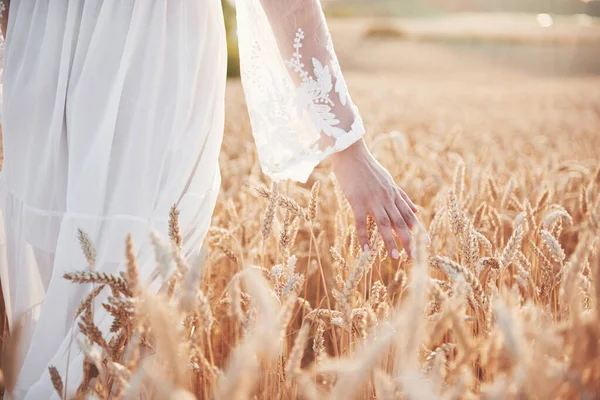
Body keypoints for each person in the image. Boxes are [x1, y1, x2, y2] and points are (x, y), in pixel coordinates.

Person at [0, 0, 425, 397]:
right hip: (149, 55)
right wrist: (348, 148)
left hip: (41, 39)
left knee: (84, 308)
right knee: (130, 314)